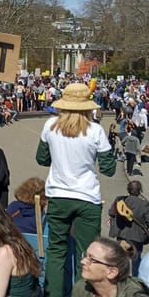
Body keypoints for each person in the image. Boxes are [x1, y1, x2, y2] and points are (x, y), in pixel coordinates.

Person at [36, 83, 116, 296]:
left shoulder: (50, 126)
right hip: (87, 196)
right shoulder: (96, 130)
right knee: (88, 254)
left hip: (58, 195)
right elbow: (109, 169)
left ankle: (53, 293)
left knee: (56, 251)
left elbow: (41, 159)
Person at [72, 237, 149, 296]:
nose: (82, 261)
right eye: (85, 255)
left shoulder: (133, 294)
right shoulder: (82, 288)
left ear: (112, 272)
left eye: (92, 259)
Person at [109, 180, 149, 276]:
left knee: (121, 257)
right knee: (136, 259)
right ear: (140, 190)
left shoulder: (120, 200)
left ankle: (119, 277)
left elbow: (111, 212)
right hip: (137, 237)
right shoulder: (144, 204)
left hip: (122, 234)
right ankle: (136, 280)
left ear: (128, 190)